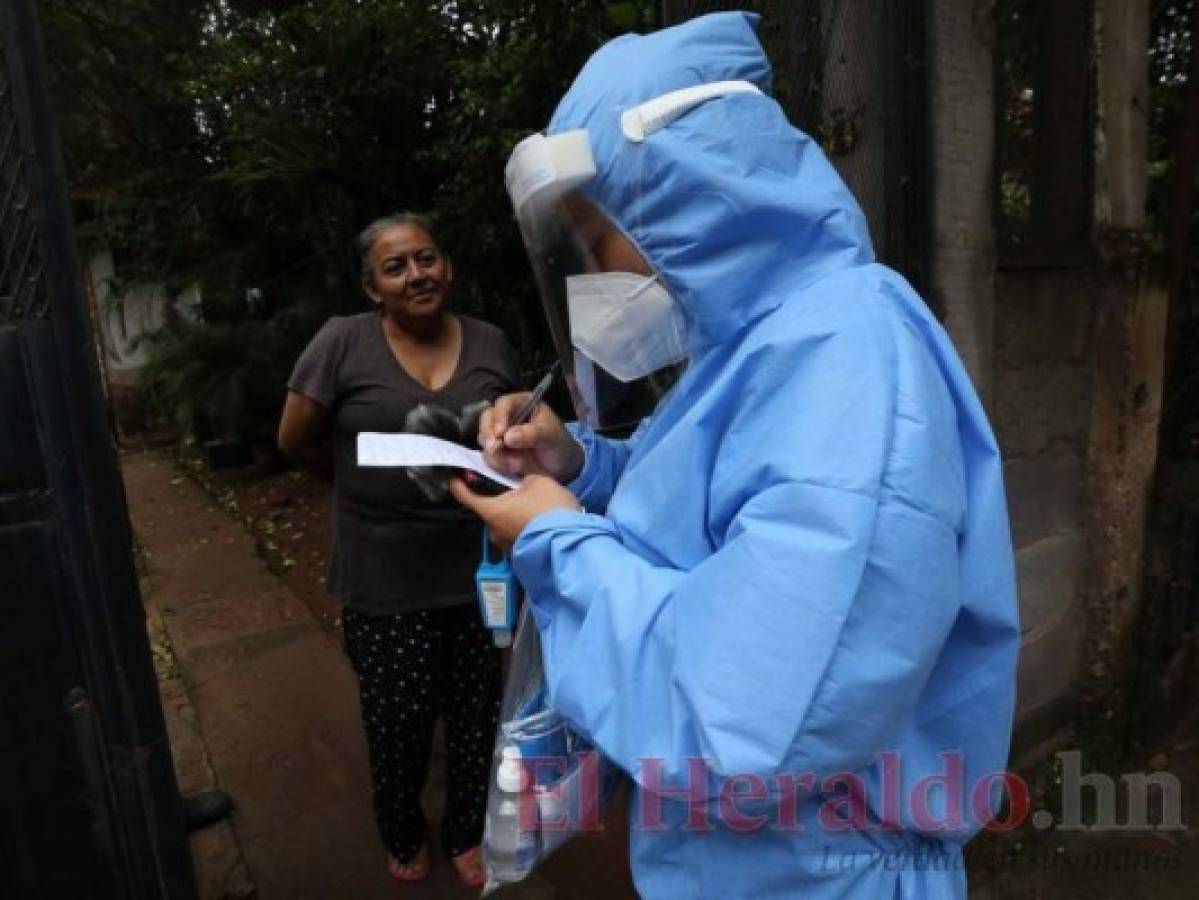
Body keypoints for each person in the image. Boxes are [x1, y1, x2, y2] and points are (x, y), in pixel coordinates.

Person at [449, 12, 1020, 899]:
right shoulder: (764, 339)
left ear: (687, 194)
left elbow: (744, 728)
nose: (597, 270)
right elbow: (719, 516)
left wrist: (559, 542)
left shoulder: (848, 357)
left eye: (598, 239)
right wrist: (584, 468)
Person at [278, 213, 518, 887]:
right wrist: (354, 489)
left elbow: (508, 437)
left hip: (477, 568)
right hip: (383, 573)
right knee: (399, 720)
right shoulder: (341, 343)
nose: (417, 274)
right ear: (371, 287)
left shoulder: (491, 343)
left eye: (427, 258)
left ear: (446, 266)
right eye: (396, 266)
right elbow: (294, 438)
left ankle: (467, 832)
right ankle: (402, 827)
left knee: (477, 715)